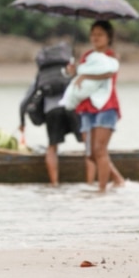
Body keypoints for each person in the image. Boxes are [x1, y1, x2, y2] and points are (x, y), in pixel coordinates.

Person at [19, 43, 82, 186]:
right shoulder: (68, 71)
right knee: (87, 142)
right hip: (71, 109)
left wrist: (22, 124)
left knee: (52, 147)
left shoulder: (41, 77)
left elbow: (24, 103)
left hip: (51, 112)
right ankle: (92, 181)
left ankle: (54, 182)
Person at [72, 20, 123, 192]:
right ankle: (118, 180)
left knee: (99, 150)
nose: (96, 37)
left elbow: (107, 73)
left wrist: (84, 76)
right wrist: (73, 70)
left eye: (100, 34)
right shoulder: (87, 56)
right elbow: (79, 76)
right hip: (87, 107)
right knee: (90, 153)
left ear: (109, 37)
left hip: (106, 106)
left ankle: (102, 190)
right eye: (93, 34)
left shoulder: (111, 57)